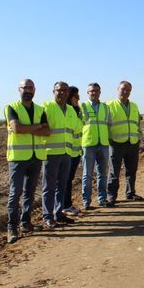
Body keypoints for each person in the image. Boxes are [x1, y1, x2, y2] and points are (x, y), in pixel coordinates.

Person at [4, 79, 50, 243]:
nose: (28, 90)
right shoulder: (11, 108)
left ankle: (25, 222)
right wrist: (37, 126)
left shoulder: (40, 109)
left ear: (35, 90)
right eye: (25, 88)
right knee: (15, 193)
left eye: (31, 88)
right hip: (18, 158)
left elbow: (47, 132)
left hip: (36, 156)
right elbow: (16, 129)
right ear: (19, 89)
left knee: (29, 193)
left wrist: (28, 128)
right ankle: (12, 228)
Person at [41, 81, 77, 229]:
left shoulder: (70, 110)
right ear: (53, 91)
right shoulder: (46, 107)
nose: (62, 93)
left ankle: (59, 214)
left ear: (68, 93)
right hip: (51, 153)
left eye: (64, 90)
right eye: (59, 90)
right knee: (49, 187)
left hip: (66, 153)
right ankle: (47, 217)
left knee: (61, 186)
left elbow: (75, 128)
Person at [107, 80, 143, 204]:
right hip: (116, 143)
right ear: (118, 90)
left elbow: (137, 122)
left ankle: (130, 193)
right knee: (114, 171)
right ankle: (111, 196)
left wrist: (138, 137)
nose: (125, 92)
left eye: (128, 90)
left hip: (132, 142)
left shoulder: (134, 106)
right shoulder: (109, 105)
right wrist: (109, 139)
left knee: (131, 170)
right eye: (123, 89)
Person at [80, 82, 111, 209]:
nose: (94, 93)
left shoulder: (105, 107)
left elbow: (109, 123)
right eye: (92, 91)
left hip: (103, 144)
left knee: (102, 174)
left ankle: (102, 199)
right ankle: (86, 201)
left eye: (96, 90)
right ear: (87, 93)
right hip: (88, 144)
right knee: (87, 174)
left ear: (100, 92)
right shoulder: (82, 107)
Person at [62, 86, 83, 216]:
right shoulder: (68, 111)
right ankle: (65, 205)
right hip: (67, 151)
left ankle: (67, 204)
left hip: (75, 151)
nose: (78, 99)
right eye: (76, 96)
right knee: (65, 180)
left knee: (68, 179)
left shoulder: (76, 110)